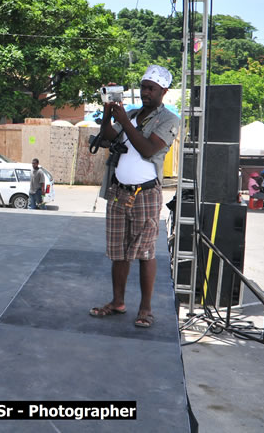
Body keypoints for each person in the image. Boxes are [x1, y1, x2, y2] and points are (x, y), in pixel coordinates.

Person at [89, 65, 179, 329]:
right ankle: (118, 302)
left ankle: (146, 309)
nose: (146, 92)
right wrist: (108, 113)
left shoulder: (168, 120)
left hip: (146, 194)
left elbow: (148, 148)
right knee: (119, 253)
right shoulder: (132, 113)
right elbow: (107, 137)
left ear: (164, 90)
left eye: (151, 88)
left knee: (146, 253)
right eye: (143, 87)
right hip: (119, 192)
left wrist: (125, 122)